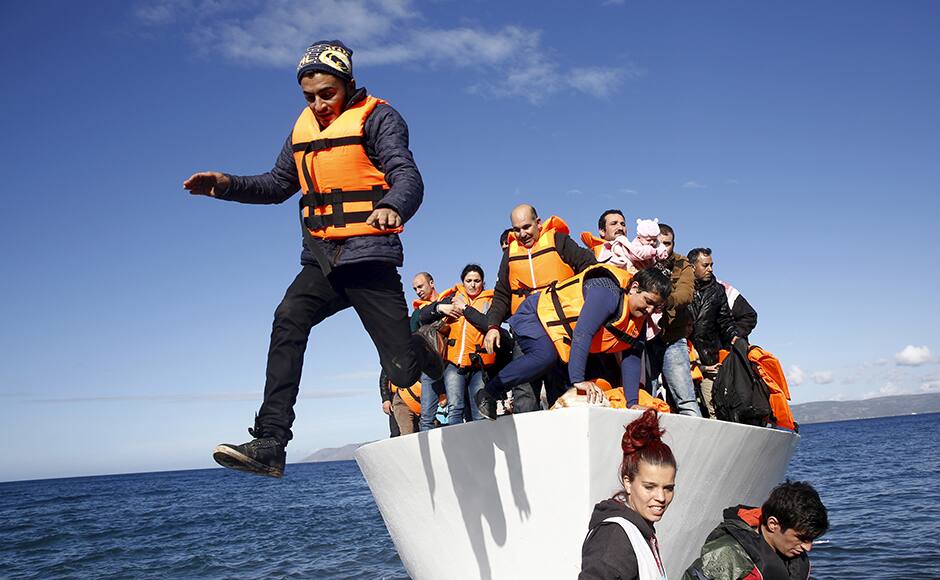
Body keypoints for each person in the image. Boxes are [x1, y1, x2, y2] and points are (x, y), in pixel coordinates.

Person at [183, 40, 441, 478]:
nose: (319, 104)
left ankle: (429, 351)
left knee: (402, 369)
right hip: (322, 260)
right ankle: (271, 441)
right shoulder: (302, 128)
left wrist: (395, 204)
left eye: (327, 93)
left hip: (369, 257)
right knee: (288, 318)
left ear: (348, 84)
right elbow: (277, 183)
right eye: (309, 96)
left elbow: (406, 174)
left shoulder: (380, 117)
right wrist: (227, 184)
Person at [476, 266, 671, 419]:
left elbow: (632, 356)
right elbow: (583, 333)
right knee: (545, 356)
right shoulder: (607, 292)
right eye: (648, 301)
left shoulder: (639, 321)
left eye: (656, 306)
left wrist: (632, 402)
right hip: (535, 315)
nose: (649, 310)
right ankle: (489, 393)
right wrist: (578, 380)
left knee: (569, 389)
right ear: (634, 287)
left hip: (561, 336)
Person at [484, 204, 597, 412]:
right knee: (524, 392)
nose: (522, 233)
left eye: (526, 227)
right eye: (516, 229)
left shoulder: (559, 241)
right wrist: (493, 326)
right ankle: (528, 442)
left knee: (560, 389)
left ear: (538, 223)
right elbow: (501, 294)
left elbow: (589, 264)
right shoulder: (509, 254)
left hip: (558, 327)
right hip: (524, 328)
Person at [580, 409, 676, 580]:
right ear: (628, 482)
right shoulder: (614, 537)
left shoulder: (640, 529)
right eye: (649, 487)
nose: (661, 497)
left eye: (668, 488)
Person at [683, 481, 829, 580]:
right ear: (773, 524)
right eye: (802, 538)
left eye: (811, 540)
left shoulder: (794, 556)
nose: (808, 548)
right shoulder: (728, 553)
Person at [418, 264, 494, 423]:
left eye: (477, 281)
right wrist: (439, 307)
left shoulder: (490, 301)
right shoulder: (452, 298)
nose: (472, 284)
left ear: (483, 282)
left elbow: (489, 323)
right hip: (454, 364)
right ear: (463, 282)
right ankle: (457, 447)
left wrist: (465, 308)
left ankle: (480, 446)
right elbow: (422, 316)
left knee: (479, 411)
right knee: (455, 408)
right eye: (469, 280)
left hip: (478, 366)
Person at [645, 223, 700, 416]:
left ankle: (698, 443)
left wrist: (665, 301)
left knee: (686, 400)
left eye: (667, 243)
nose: (662, 247)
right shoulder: (643, 259)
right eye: (658, 242)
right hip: (645, 341)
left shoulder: (682, 263)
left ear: (673, 244)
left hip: (673, 338)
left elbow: (686, 293)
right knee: (646, 398)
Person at [687, 248, 739, 418]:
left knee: (715, 409)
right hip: (686, 354)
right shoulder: (681, 287)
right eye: (705, 265)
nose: (710, 269)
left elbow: (726, 321)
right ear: (693, 267)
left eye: (711, 265)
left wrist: (736, 337)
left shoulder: (718, 290)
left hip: (710, 357)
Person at [410, 272, 446, 431]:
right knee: (426, 417)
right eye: (415, 289)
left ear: (432, 283)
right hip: (430, 368)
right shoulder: (417, 313)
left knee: (458, 408)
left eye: (420, 286)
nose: (418, 291)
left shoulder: (448, 301)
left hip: (453, 362)